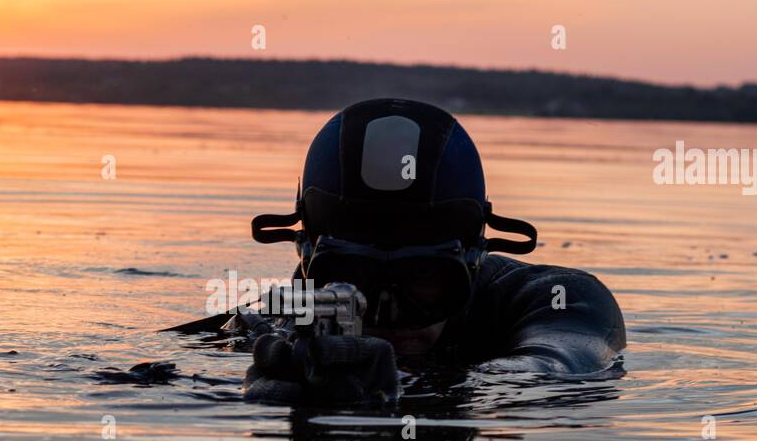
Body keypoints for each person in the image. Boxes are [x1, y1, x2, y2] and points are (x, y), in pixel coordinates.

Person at [191, 98, 627, 404]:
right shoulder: (283, 320)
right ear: (306, 264)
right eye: (352, 283)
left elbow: (559, 362)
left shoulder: (560, 300)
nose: (388, 316)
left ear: (472, 263)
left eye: (423, 277)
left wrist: (414, 383)